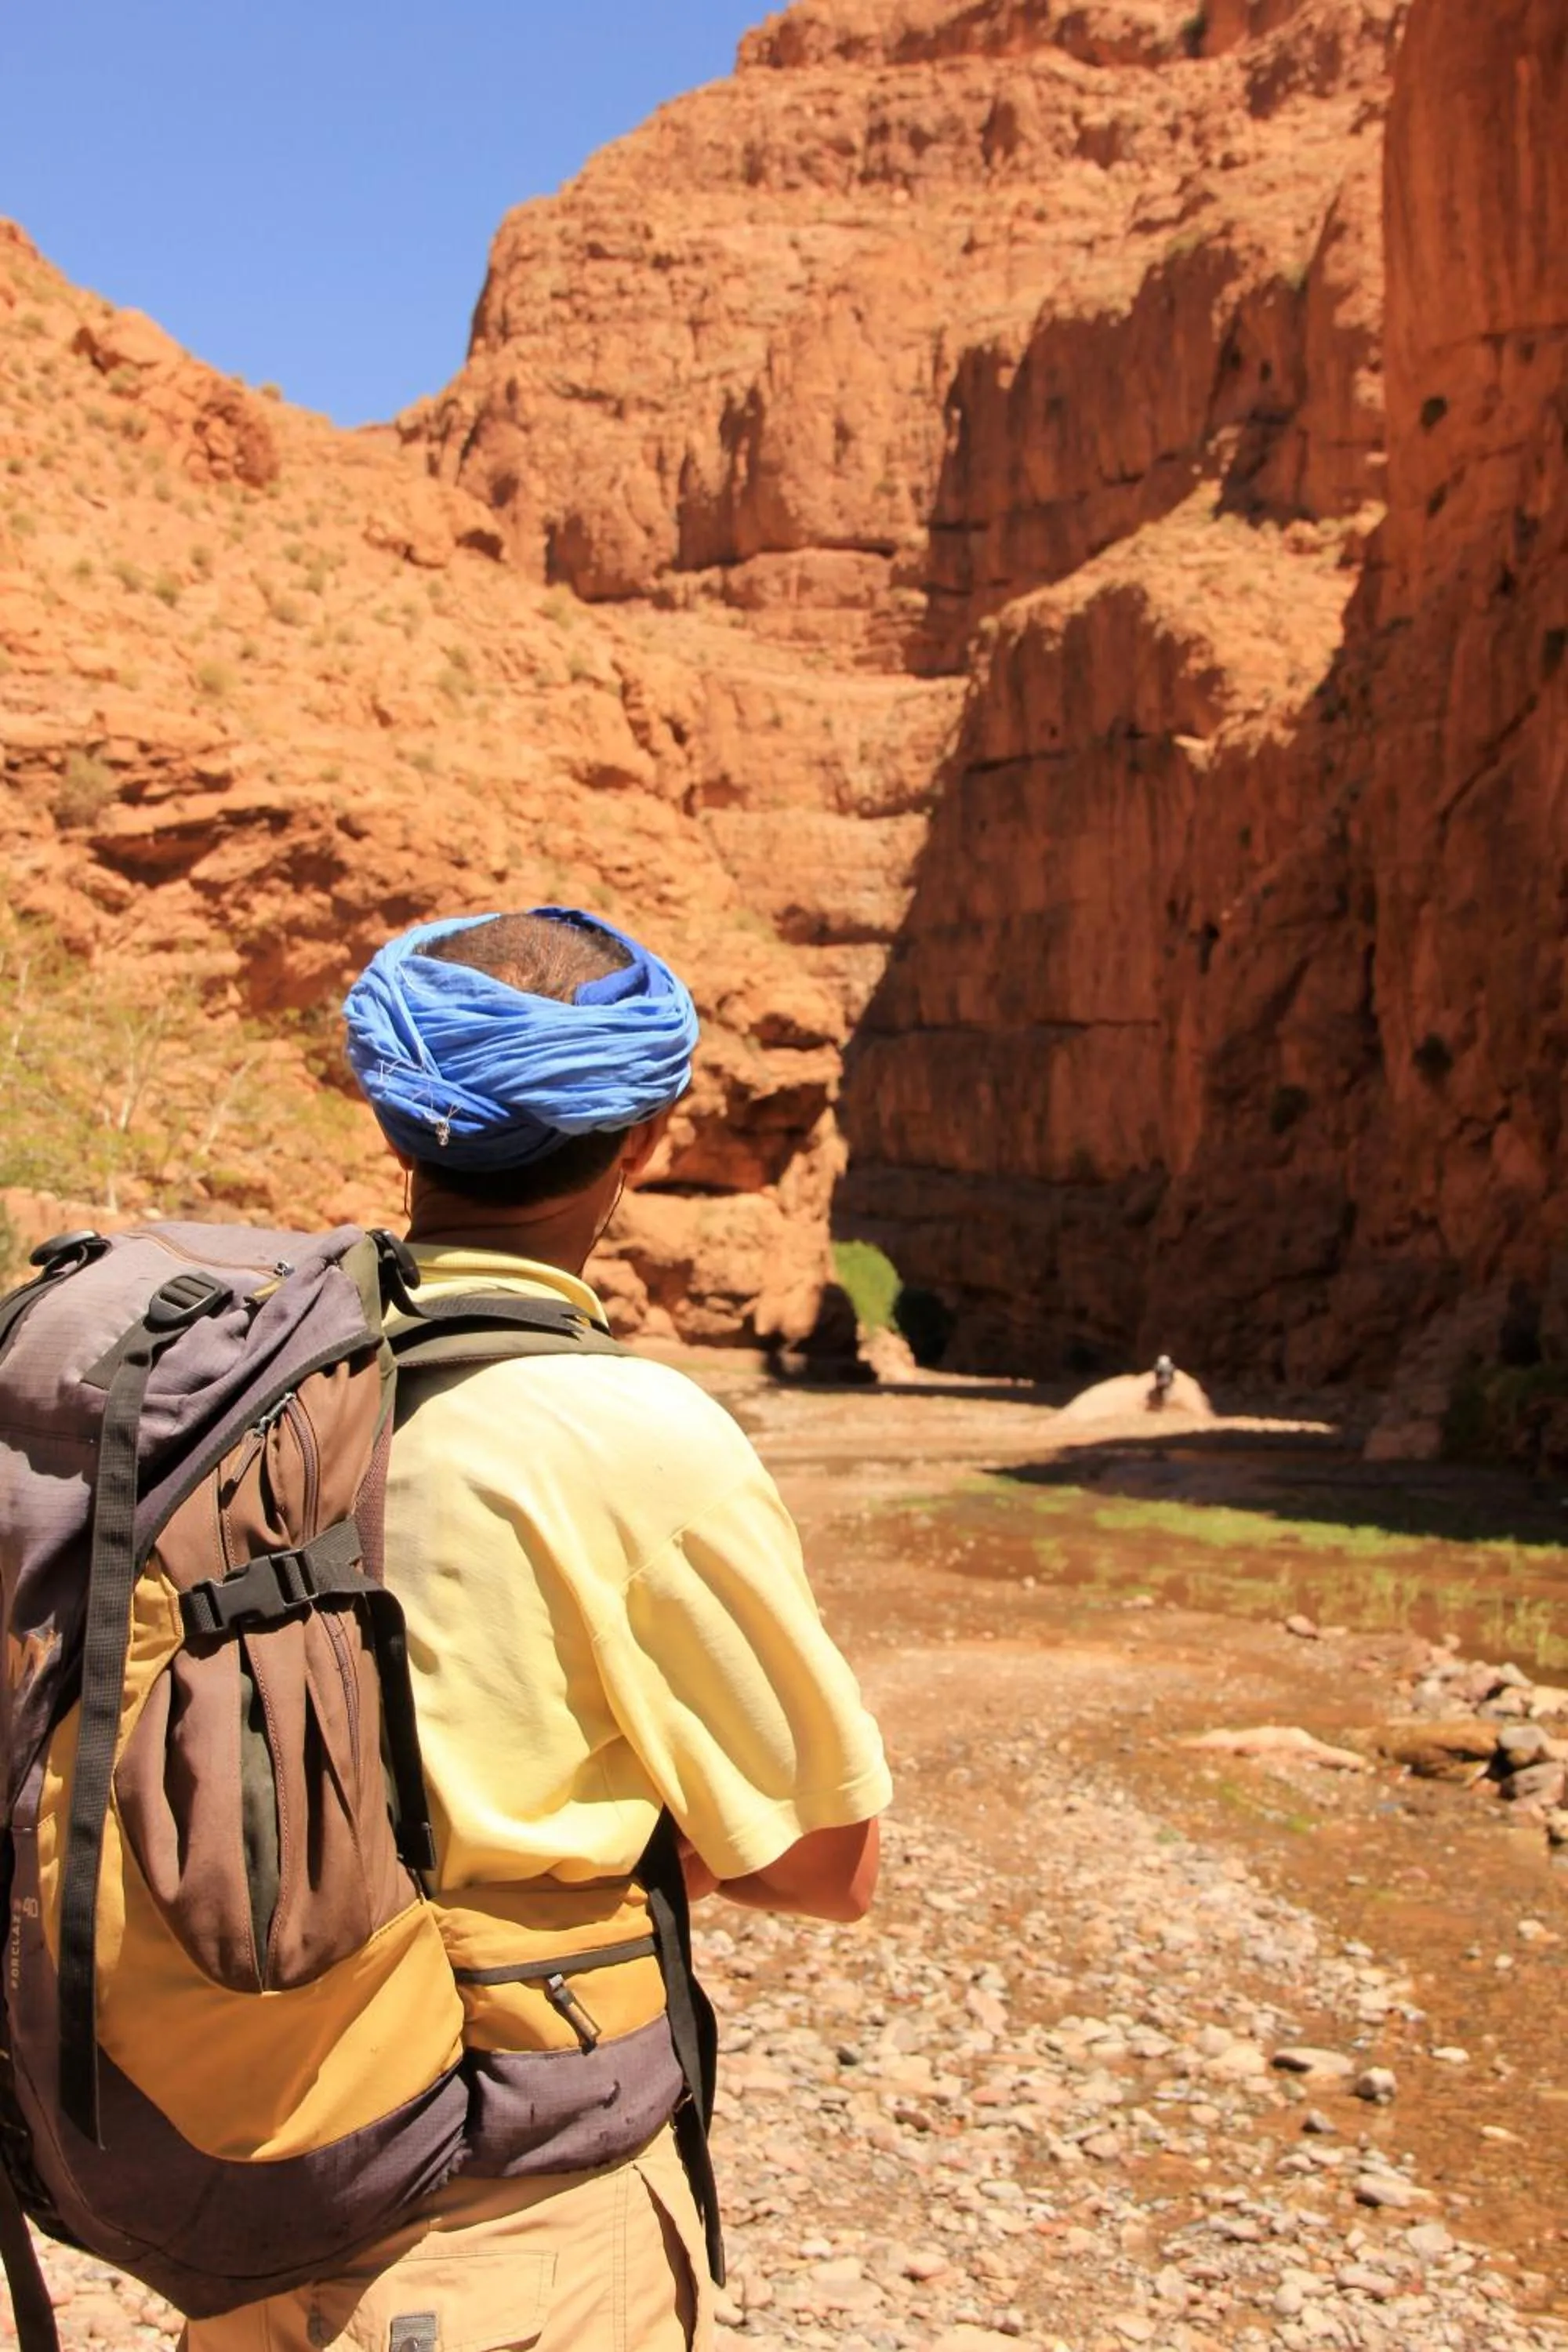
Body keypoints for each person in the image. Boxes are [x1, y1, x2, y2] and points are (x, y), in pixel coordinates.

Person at [187, 906, 891, 2352]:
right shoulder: (636, 1438)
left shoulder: (231, 1397)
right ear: (644, 1144)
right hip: (506, 2225)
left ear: (395, 1120)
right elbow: (828, 1864)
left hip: (229, 2184)